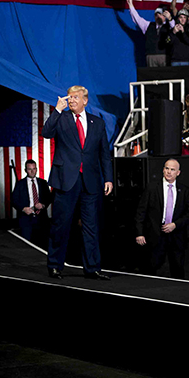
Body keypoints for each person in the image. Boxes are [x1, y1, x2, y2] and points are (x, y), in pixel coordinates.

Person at [43, 86, 113, 280]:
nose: (71, 100)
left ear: (85, 101)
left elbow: (104, 154)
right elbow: (46, 133)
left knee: (91, 227)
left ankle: (92, 268)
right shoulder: (61, 118)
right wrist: (57, 109)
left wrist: (108, 178)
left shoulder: (97, 123)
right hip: (66, 180)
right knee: (61, 225)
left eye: (75, 97)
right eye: (69, 97)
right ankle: (55, 265)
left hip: (90, 182)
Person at [134, 159, 189, 279]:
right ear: (163, 170)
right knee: (151, 270)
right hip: (155, 235)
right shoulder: (152, 188)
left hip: (176, 236)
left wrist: (175, 225)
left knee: (177, 271)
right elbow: (141, 212)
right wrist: (139, 233)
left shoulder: (184, 191)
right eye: (167, 168)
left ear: (178, 173)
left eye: (172, 170)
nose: (169, 172)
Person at [11, 159, 53, 246]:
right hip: (26, 219)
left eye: (34, 169)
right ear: (25, 170)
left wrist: (43, 205)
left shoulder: (43, 183)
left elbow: (49, 198)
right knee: (26, 245)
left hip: (41, 219)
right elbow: (14, 200)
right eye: (30, 169)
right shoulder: (20, 184)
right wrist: (23, 209)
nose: (32, 171)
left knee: (42, 245)